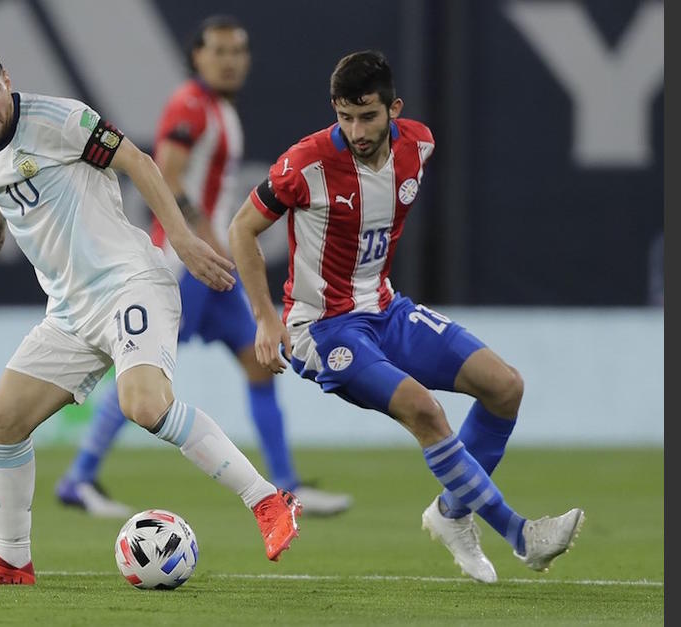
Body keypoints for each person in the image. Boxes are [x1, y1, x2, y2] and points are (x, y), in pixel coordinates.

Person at [0, 37, 301, 586]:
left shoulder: (60, 120)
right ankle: (12, 560)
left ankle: (268, 500)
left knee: (144, 405)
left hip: (131, 283)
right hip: (70, 313)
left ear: (6, 78)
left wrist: (183, 238)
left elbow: (137, 160)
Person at [227, 49, 584, 583]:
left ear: (394, 108)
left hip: (387, 310)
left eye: (368, 116)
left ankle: (452, 514)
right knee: (424, 410)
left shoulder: (418, 145)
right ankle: (521, 536)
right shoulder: (306, 164)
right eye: (345, 117)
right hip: (323, 328)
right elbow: (241, 228)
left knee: (505, 386)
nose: (356, 130)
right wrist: (264, 317)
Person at [55, 15, 352, 519]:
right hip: (186, 265)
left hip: (212, 267)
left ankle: (286, 486)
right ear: (197, 56)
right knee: (141, 370)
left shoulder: (219, 110)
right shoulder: (191, 104)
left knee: (259, 363)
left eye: (237, 52)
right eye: (219, 51)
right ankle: (79, 478)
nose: (229, 61)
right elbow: (167, 175)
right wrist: (203, 239)